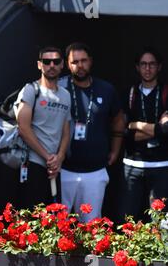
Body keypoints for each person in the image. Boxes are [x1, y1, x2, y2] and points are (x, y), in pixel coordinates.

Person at [58, 42, 125, 222]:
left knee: (91, 225)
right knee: (57, 226)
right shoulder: (58, 88)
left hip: (95, 171)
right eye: (75, 62)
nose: (80, 66)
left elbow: (119, 119)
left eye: (84, 61)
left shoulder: (106, 89)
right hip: (63, 170)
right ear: (67, 63)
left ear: (91, 62)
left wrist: (115, 150)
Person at [15, 46, 71, 209]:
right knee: (31, 219)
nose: (51, 65)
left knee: (52, 221)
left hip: (54, 167)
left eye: (56, 61)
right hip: (34, 164)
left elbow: (66, 131)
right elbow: (23, 128)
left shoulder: (65, 95)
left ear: (62, 65)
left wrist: (59, 158)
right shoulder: (31, 90)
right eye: (47, 61)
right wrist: (47, 157)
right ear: (40, 65)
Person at [118, 47, 168, 223]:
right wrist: (157, 130)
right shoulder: (128, 93)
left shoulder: (165, 92)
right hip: (132, 164)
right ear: (137, 67)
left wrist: (136, 125)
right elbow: (123, 132)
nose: (148, 69)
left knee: (160, 221)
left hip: (162, 165)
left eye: (152, 64)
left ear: (159, 67)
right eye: (144, 64)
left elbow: (166, 130)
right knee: (128, 218)